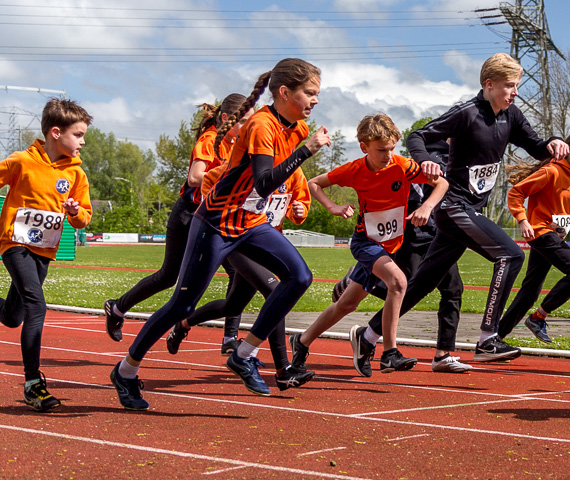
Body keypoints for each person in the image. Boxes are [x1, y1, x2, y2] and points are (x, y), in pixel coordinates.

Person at [109, 58, 331, 410]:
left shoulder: (299, 128)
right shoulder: (262, 125)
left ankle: (244, 353)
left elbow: (276, 185)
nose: (316, 101)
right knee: (181, 304)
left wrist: (297, 201)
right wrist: (306, 152)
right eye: (311, 93)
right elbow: (263, 181)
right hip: (215, 223)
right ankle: (126, 370)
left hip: (251, 223)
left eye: (318, 94)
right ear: (286, 92)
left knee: (299, 277)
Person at [350, 53, 569, 376]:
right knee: (510, 256)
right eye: (509, 86)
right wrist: (424, 160)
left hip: (470, 210)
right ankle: (487, 338)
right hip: (454, 207)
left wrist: (554, 143)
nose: (515, 92)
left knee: (424, 281)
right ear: (489, 84)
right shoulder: (466, 114)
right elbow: (418, 136)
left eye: (517, 86)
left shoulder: (512, 116)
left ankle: (367, 337)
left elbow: (536, 146)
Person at [289, 113, 448, 377]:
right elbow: (314, 183)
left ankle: (302, 342)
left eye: (392, 148)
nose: (388, 155)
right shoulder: (354, 170)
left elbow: (441, 182)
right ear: (364, 147)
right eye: (381, 150)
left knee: (346, 305)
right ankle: (390, 353)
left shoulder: (402, 166)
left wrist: (427, 207)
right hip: (366, 243)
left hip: (389, 246)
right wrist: (333, 207)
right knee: (398, 282)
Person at [104, 94, 253, 355]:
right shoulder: (210, 140)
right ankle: (117, 307)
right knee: (168, 276)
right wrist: (226, 176)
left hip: (219, 218)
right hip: (189, 215)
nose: (250, 127)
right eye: (246, 121)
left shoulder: (240, 144)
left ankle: (230, 338)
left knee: (238, 273)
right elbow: (195, 177)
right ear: (228, 119)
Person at [164, 162, 315, 391]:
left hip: (266, 245)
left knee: (233, 305)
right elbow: (209, 179)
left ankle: (184, 323)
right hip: (238, 241)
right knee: (275, 291)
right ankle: (283, 370)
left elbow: (300, 200)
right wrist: (214, 209)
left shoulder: (294, 170)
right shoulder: (246, 162)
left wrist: (300, 210)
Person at [332, 139, 469, 373]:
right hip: (410, 236)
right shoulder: (426, 154)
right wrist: (423, 206)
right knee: (408, 289)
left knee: (453, 290)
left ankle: (442, 354)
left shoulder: (462, 160)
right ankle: (360, 289)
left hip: (437, 236)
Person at [0, 98, 93, 411]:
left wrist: (76, 211)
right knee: (37, 306)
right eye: (78, 135)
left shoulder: (77, 175)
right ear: (56, 133)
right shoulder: (22, 161)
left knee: (14, 317)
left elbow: (84, 219)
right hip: (14, 243)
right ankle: (32, 383)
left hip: (44, 250)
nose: (82, 142)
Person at [497, 131, 570, 344]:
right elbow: (516, 193)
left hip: (555, 235)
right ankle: (538, 317)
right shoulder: (550, 172)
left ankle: (496, 336)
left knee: (531, 291)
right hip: (540, 231)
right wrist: (522, 219)